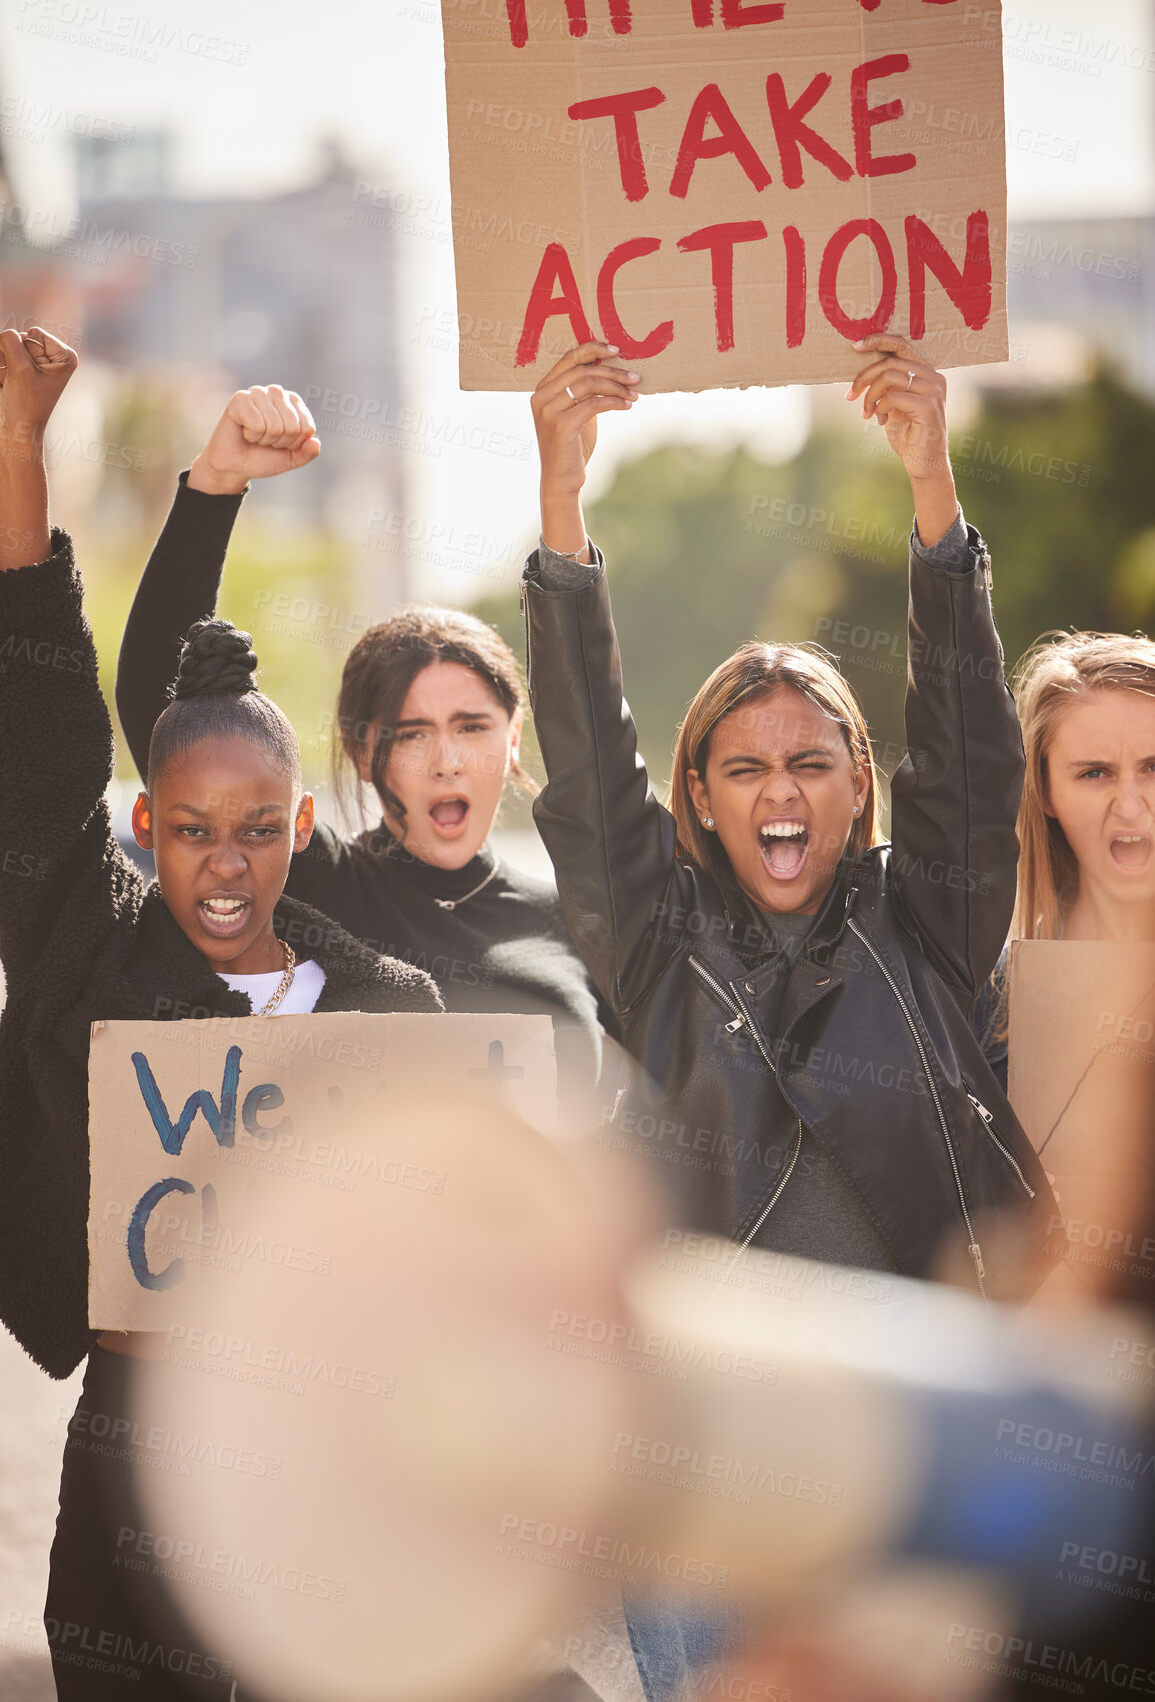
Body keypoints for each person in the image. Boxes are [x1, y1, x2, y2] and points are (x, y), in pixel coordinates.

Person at [0, 329, 441, 1699]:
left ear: (301, 825)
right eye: (188, 830)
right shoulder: (105, 971)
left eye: (258, 828)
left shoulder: (388, 1007)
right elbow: (51, 725)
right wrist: (18, 444)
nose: (226, 861)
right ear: (147, 826)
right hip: (134, 1478)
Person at [523, 333, 1055, 1296]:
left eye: (810, 762)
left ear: (859, 784)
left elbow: (969, 756)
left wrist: (931, 483)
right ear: (699, 794)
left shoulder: (928, 923)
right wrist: (561, 506)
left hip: (926, 1383)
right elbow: (589, 771)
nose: (779, 791)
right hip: (728, 1408)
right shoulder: (654, 940)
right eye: (744, 768)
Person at [114, 385, 607, 1093]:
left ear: (512, 737)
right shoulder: (310, 887)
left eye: (471, 726)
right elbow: (161, 705)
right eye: (411, 734)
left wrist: (563, 501)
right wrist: (216, 485)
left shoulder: (580, 920)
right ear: (360, 751)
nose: (445, 760)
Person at [977, 632, 1155, 1087]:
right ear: (1045, 791)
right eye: (1095, 773)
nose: (1130, 806)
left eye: (1154, 768)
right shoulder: (990, 997)